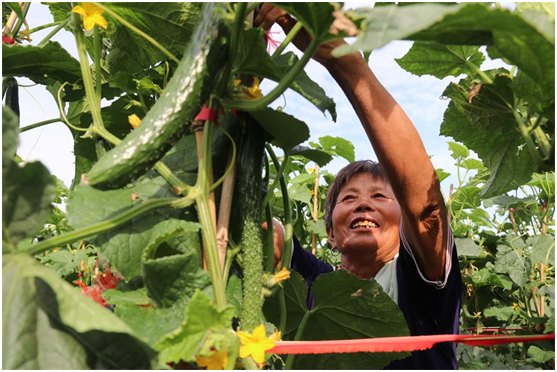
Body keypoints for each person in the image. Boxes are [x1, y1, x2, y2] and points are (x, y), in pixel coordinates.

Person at [255, 4, 462, 370]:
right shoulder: (320, 286)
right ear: (330, 233)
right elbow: (263, 234)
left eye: (380, 196)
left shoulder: (416, 283)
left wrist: (340, 59)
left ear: (404, 228)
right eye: (349, 199)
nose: (363, 205)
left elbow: (426, 210)